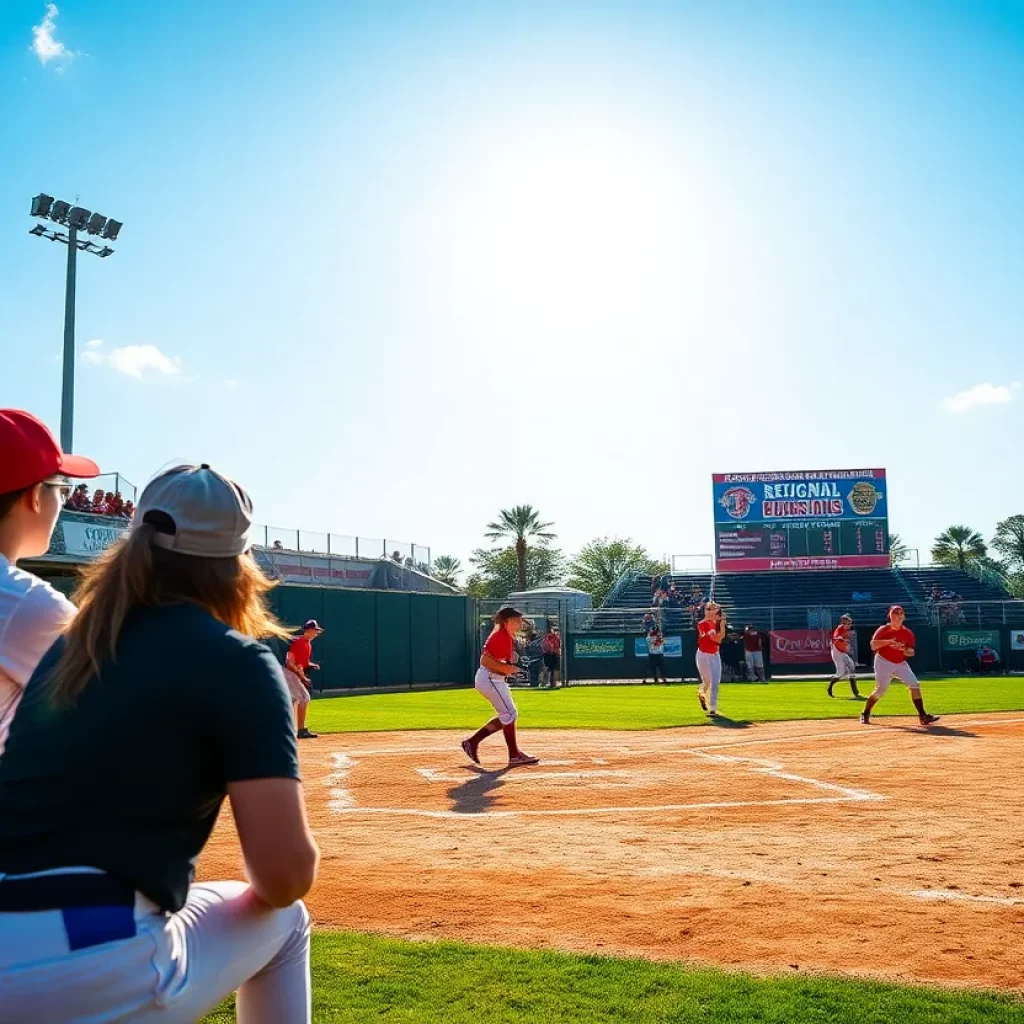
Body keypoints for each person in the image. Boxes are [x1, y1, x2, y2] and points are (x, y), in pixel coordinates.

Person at [0, 462, 319, 1022]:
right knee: (287, 921)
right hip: (87, 950)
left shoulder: (69, 650)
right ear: (238, 563)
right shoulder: (236, 660)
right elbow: (282, 876)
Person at [0, 410, 101, 755]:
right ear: (33, 496)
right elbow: (108, 713)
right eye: (62, 488)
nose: (63, 501)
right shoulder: (27, 602)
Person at [461, 606, 538, 767]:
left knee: (508, 713)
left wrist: (509, 666)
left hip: (493, 679)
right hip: (489, 679)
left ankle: (473, 742)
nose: (520, 623)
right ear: (505, 622)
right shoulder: (501, 636)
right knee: (509, 713)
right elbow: (484, 660)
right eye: (516, 620)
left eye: (520, 620)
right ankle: (514, 755)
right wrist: (507, 669)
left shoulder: (505, 636)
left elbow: (498, 659)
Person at [861, 605, 940, 727]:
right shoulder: (883, 630)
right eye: (895, 613)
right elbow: (873, 645)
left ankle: (923, 716)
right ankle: (865, 713)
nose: (898, 616)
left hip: (900, 663)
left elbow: (911, 652)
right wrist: (889, 642)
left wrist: (905, 650)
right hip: (883, 661)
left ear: (904, 616)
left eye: (900, 613)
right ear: (890, 616)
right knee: (880, 691)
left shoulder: (907, 633)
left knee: (914, 685)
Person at [284, 619, 323, 739]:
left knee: (293, 699)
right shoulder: (300, 642)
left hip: (292, 673)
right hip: (289, 673)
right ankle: (301, 730)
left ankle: (288, 729)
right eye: (315, 631)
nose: (316, 633)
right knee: (304, 698)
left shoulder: (307, 644)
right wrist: (301, 676)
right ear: (309, 630)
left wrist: (312, 665)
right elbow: (289, 662)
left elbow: (303, 662)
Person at [696, 600, 726, 717]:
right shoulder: (702, 623)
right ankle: (701, 693)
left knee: (715, 682)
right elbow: (714, 639)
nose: (710, 611)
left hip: (714, 655)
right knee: (707, 681)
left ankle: (713, 708)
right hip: (703, 654)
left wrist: (722, 625)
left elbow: (721, 637)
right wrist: (716, 633)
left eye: (712, 609)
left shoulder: (718, 622)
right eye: (708, 609)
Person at [827, 613, 862, 698]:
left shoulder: (847, 630)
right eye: (847, 623)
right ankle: (830, 687)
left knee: (852, 667)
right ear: (844, 623)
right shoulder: (840, 628)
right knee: (841, 673)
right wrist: (839, 638)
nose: (849, 625)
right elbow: (836, 636)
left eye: (850, 623)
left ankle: (855, 691)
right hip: (837, 652)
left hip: (842, 651)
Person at [541, 623, 562, 688]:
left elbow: (558, 646)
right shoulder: (547, 638)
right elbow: (545, 647)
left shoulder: (553, 638)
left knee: (552, 669)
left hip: (551, 655)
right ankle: (548, 682)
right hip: (549, 655)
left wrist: (557, 653)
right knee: (549, 669)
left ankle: (551, 682)